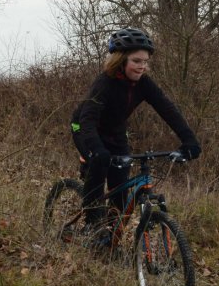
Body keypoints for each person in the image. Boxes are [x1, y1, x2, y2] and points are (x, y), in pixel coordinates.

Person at [70, 27, 201, 247]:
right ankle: (91, 225)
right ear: (120, 60)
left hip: (116, 134)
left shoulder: (143, 83)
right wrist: (96, 150)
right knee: (99, 164)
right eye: (136, 61)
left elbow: (167, 109)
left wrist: (189, 140)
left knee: (120, 195)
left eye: (145, 61)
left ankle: (109, 241)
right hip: (85, 129)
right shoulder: (105, 83)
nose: (142, 66)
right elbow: (87, 120)